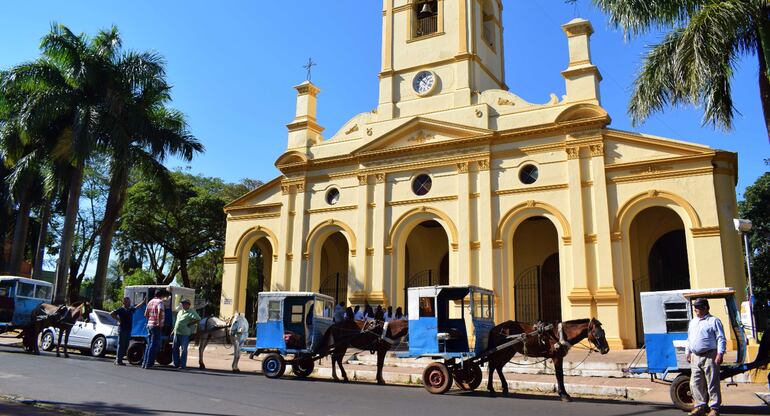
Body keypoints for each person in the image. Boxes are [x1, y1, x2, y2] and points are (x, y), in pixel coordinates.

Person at [685, 298, 726, 416]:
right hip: (695, 356)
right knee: (695, 383)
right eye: (695, 307)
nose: (695, 309)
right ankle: (700, 406)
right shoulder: (693, 322)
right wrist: (687, 352)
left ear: (705, 308)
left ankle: (714, 408)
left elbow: (720, 338)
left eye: (698, 307)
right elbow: (689, 338)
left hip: (710, 355)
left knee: (712, 382)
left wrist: (720, 353)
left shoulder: (714, 321)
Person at [110, 295, 145, 366]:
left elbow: (137, 307)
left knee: (126, 345)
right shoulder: (121, 309)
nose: (129, 303)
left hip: (128, 330)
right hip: (122, 329)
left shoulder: (130, 309)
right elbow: (112, 314)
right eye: (128, 302)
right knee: (121, 345)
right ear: (124, 302)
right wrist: (118, 320)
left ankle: (120, 359)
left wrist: (143, 302)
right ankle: (118, 360)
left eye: (129, 302)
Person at [142, 289, 170, 369]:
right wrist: (158, 322)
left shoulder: (150, 302)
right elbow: (160, 312)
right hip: (156, 326)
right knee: (154, 345)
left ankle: (144, 363)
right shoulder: (160, 302)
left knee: (149, 344)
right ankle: (149, 363)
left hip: (149, 325)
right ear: (162, 295)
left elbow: (145, 314)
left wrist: (151, 319)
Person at [172, 299, 201, 370]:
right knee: (174, 348)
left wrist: (190, 324)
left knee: (184, 349)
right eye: (182, 304)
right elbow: (177, 322)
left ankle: (182, 365)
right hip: (177, 333)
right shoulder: (180, 312)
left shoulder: (191, 312)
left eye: (184, 304)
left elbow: (198, 319)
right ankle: (176, 364)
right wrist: (173, 330)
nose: (182, 305)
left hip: (185, 333)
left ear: (188, 305)